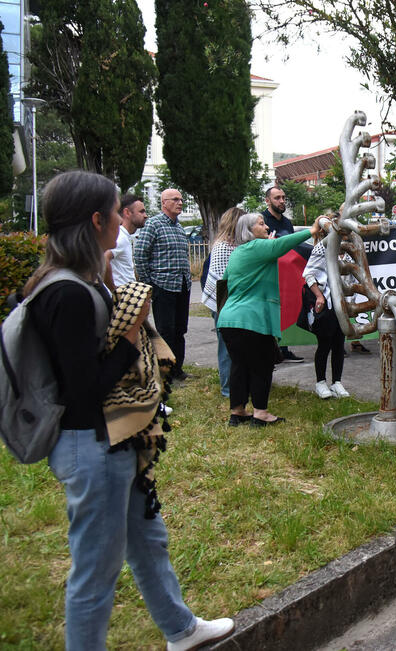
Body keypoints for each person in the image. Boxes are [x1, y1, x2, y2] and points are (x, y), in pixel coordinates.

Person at [25, 170, 233, 650]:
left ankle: (180, 629)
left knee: (146, 539)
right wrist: (134, 332)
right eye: (118, 210)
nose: (124, 219)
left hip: (115, 442)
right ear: (98, 220)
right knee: (95, 574)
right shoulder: (68, 293)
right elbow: (84, 390)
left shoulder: (74, 281)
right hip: (93, 445)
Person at [218, 213, 325, 426]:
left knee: (239, 366)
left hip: (229, 320)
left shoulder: (238, 252)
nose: (266, 227)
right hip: (252, 320)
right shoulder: (257, 247)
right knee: (262, 364)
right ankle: (261, 413)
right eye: (261, 224)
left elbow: (226, 282)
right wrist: (312, 231)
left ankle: (237, 411)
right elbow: (282, 245)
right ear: (248, 231)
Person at [133, 188, 191, 381]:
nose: (180, 202)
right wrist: (149, 283)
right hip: (163, 286)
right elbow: (140, 254)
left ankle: (178, 369)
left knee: (180, 330)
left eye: (181, 199)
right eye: (175, 199)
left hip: (182, 285)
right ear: (164, 203)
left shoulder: (179, 227)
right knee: (166, 330)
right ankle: (165, 373)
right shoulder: (154, 225)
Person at [201, 207, 246, 399]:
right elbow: (222, 279)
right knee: (226, 347)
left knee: (237, 347)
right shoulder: (223, 246)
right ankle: (228, 388)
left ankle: (239, 384)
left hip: (233, 302)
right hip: (223, 303)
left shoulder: (237, 245)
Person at [302, 236, 350, 399]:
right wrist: (319, 296)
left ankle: (337, 382)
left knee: (339, 344)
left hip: (342, 305)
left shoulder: (350, 250)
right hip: (327, 303)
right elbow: (309, 274)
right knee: (324, 344)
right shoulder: (322, 248)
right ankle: (320, 382)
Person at [261, 186, 305, 363]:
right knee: (268, 312)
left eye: (283, 197)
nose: (281, 201)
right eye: (277, 198)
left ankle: (284, 348)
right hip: (268, 276)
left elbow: (293, 248)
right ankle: (269, 351)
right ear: (267, 201)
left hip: (285, 278)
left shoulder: (287, 223)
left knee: (284, 310)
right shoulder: (261, 221)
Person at [105, 193, 148, 288]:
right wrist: (113, 289)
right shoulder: (121, 237)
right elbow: (104, 259)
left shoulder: (124, 235)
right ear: (127, 213)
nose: (146, 216)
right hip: (121, 297)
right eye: (141, 212)